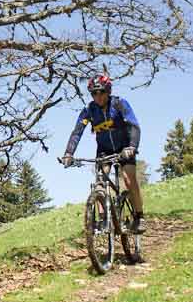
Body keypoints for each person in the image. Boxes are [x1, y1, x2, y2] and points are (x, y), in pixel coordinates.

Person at [59, 74, 145, 233]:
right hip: (104, 150)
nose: (98, 96)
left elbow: (134, 126)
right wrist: (68, 153)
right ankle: (103, 220)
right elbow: (77, 132)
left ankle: (139, 216)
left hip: (124, 147)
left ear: (108, 91)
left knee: (128, 177)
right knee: (99, 183)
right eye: (94, 93)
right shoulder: (89, 111)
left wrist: (132, 146)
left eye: (101, 92)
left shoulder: (120, 104)